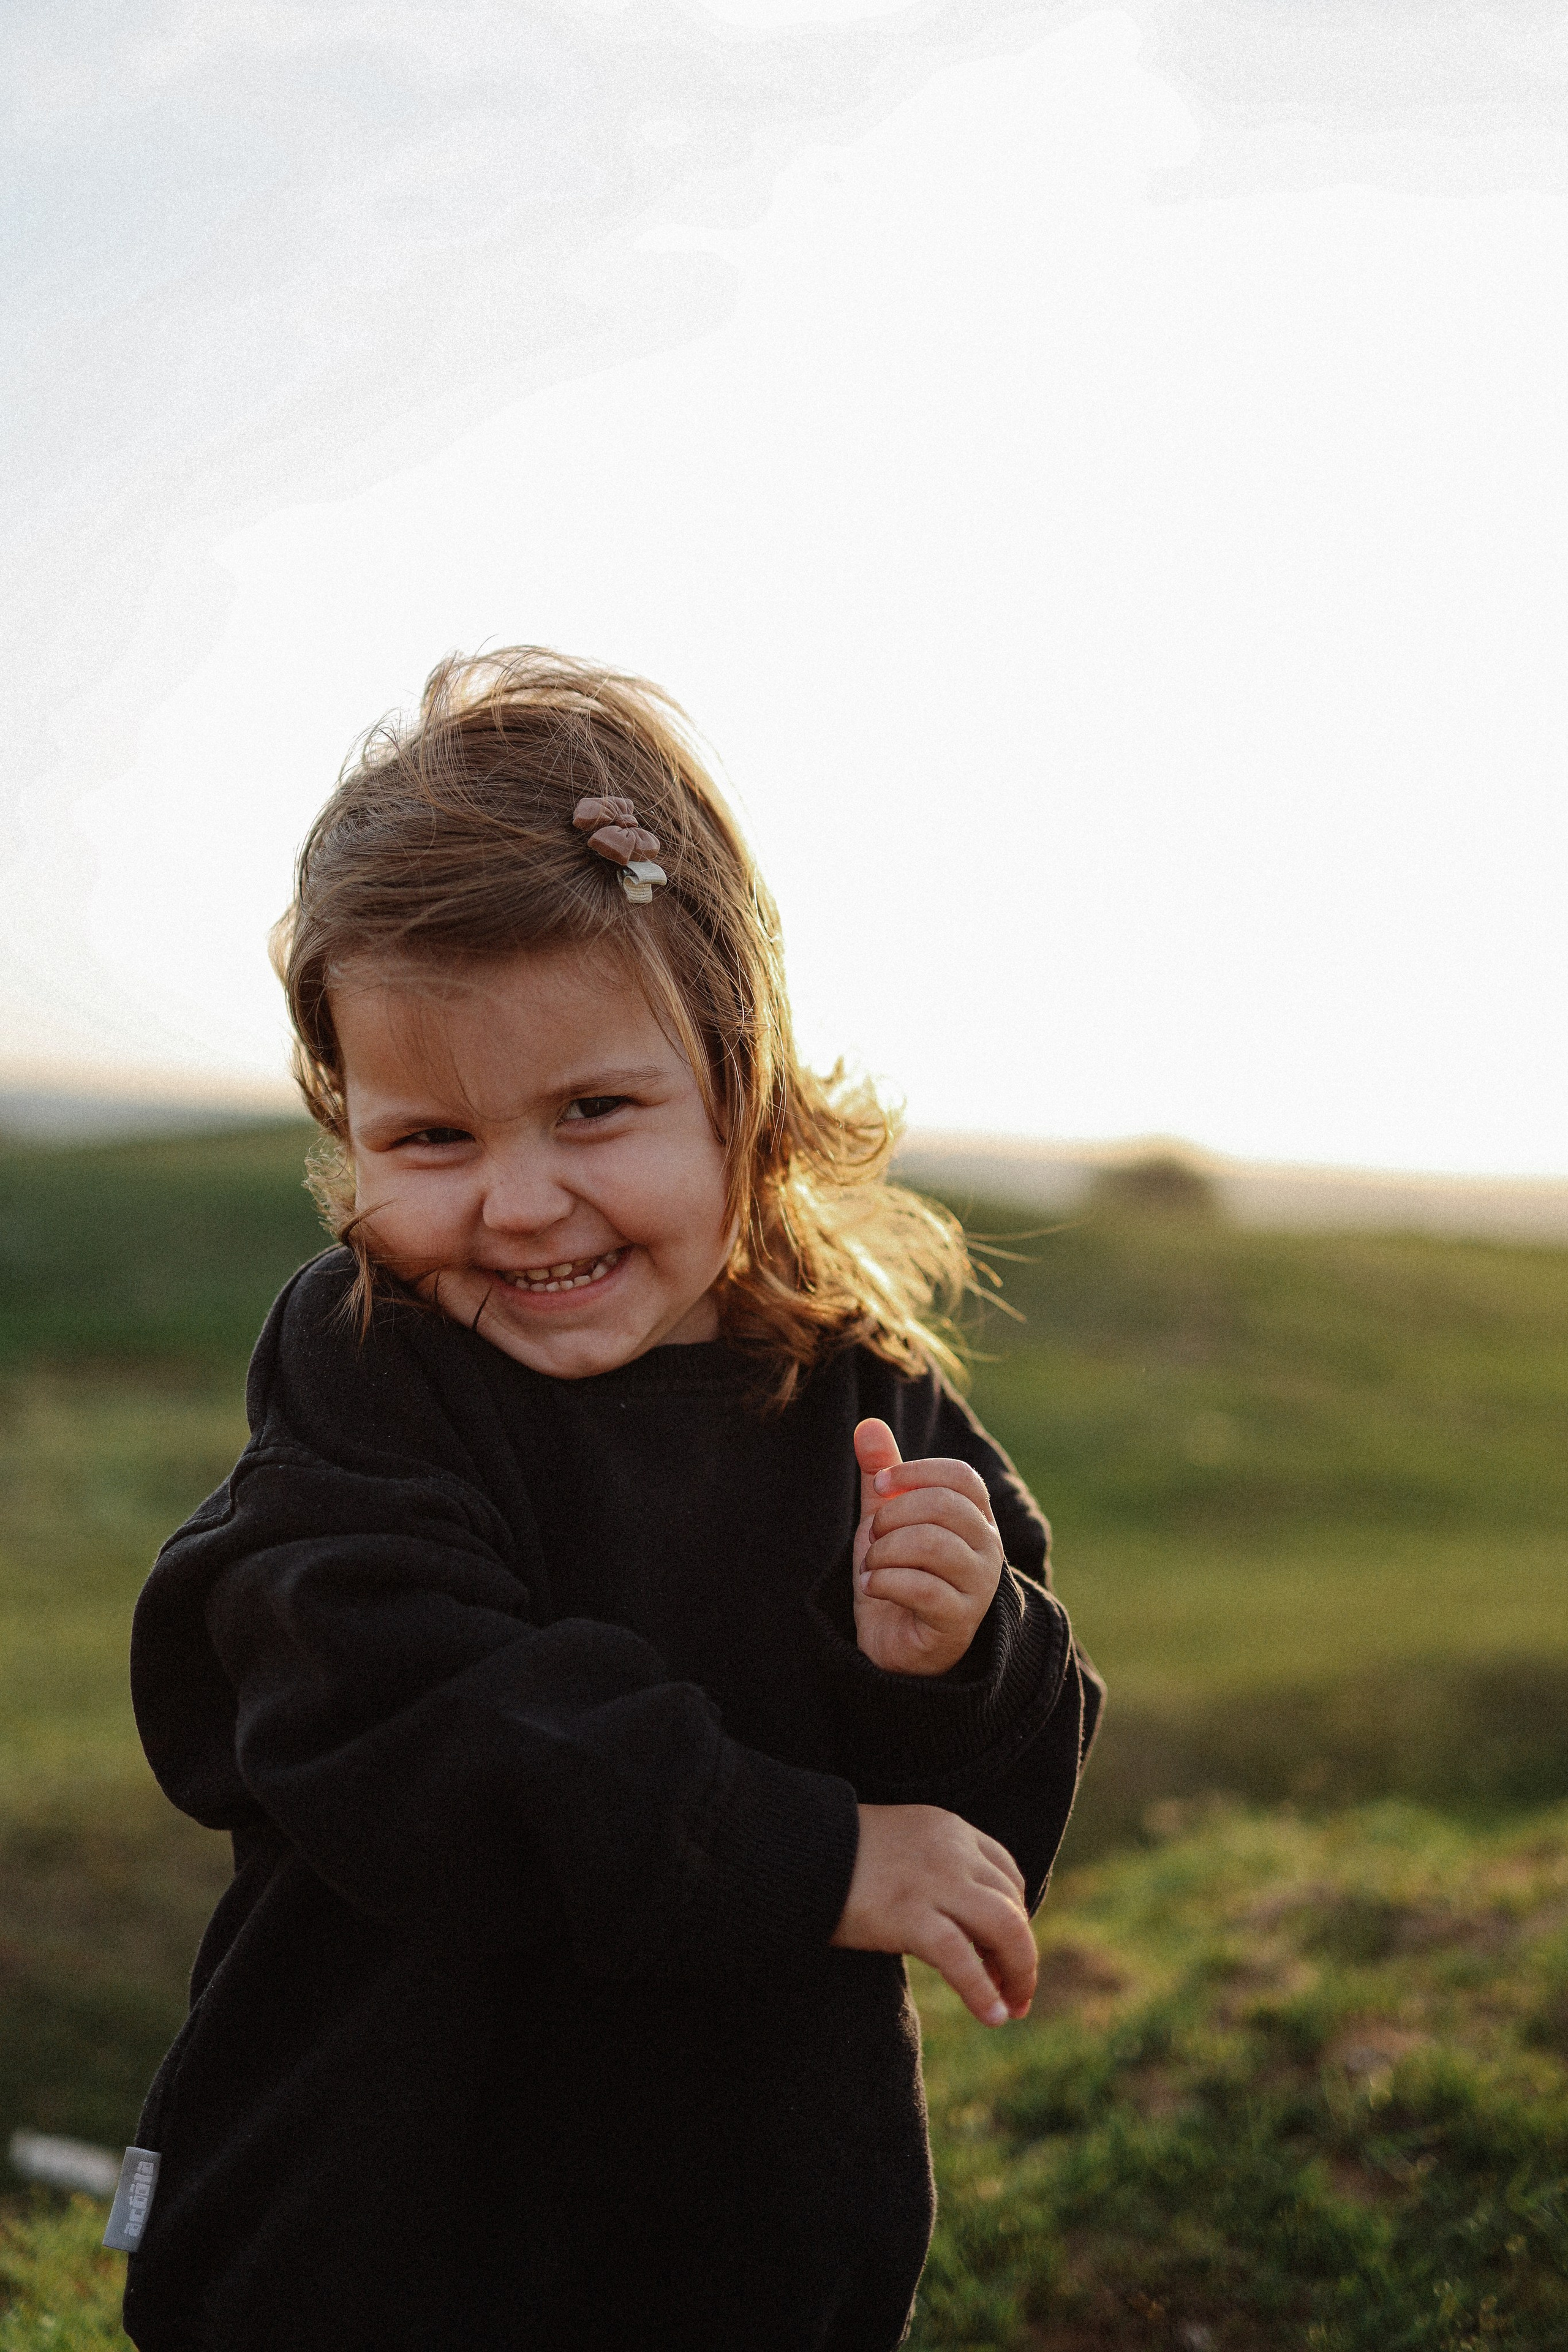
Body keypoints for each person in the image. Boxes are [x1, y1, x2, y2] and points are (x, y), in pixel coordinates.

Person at [123, 648, 1103, 2352]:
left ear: (742, 1084)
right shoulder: (374, 1368)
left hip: (745, 2230)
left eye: (594, 1110)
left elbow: (983, 1825)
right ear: (348, 1130)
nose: (520, 1202)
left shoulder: (861, 1394)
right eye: (431, 1139)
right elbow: (388, 1701)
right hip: (378, 2215)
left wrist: (960, 1656)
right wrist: (801, 1855)